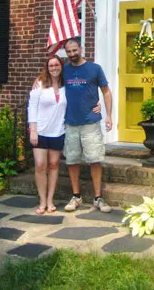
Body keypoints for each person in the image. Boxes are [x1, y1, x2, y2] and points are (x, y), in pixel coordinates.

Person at [63, 37, 113, 213]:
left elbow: (106, 92)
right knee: (72, 160)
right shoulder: (64, 70)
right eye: (68, 52)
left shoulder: (94, 69)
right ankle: (76, 196)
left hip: (91, 122)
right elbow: (49, 85)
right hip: (70, 123)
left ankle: (98, 198)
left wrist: (108, 115)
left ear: (81, 49)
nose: (72, 54)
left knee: (95, 160)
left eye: (74, 50)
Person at [28, 55, 66, 215]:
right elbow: (32, 106)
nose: (54, 68)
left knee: (54, 165)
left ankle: (50, 200)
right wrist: (33, 130)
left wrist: (96, 105)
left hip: (58, 132)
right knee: (40, 165)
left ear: (61, 66)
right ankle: (42, 201)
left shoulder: (67, 85)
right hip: (40, 132)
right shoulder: (40, 84)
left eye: (56, 65)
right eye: (51, 65)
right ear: (47, 67)